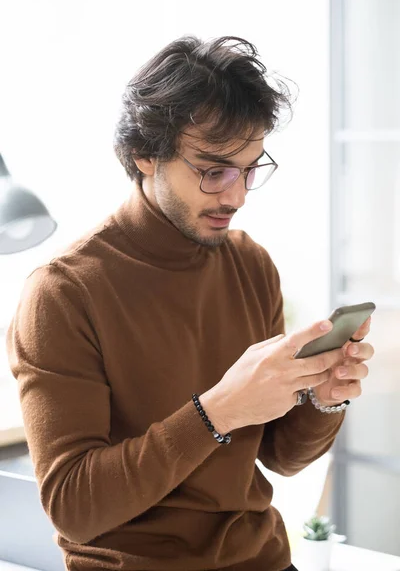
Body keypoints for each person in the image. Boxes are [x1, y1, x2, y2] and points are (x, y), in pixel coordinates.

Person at [6, 36, 374, 571]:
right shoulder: (63, 292)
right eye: (213, 170)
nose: (237, 195)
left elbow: (280, 457)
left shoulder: (251, 264)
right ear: (145, 154)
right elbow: (73, 508)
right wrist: (218, 410)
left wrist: (323, 399)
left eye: (250, 168)